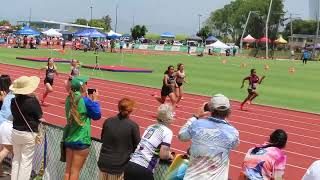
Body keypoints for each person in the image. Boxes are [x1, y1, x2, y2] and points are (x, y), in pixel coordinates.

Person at [178, 94, 239, 180]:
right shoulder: (233, 132)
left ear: (210, 109)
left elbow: (182, 136)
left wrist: (195, 116)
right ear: (228, 111)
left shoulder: (197, 124)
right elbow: (233, 146)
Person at [63, 76, 101, 180]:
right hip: (81, 139)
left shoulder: (68, 99)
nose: (87, 85)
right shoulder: (85, 101)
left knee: (68, 171)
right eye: (85, 83)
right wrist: (95, 100)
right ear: (81, 86)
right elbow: (97, 115)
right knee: (75, 172)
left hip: (70, 138)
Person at [124, 104, 175, 180]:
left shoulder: (150, 127)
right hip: (144, 168)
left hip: (131, 164)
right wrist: (170, 155)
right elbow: (163, 155)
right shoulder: (167, 132)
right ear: (169, 117)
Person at [9, 76, 43, 180]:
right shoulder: (32, 101)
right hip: (28, 133)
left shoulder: (13, 101)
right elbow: (40, 115)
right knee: (26, 162)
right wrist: (35, 98)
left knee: (16, 159)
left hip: (15, 132)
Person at [98, 98, 140, 180]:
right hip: (118, 166)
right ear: (131, 110)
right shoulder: (133, 126)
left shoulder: (108, 121)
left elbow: (103, 138)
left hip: (103, 163)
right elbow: (137, 146)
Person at [0, 75, 14, 177]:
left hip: (2, 121)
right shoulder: (9, 95)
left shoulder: (5, 95)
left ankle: (0, 173)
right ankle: (14, 172)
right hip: (6, 124)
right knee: (8, 150)